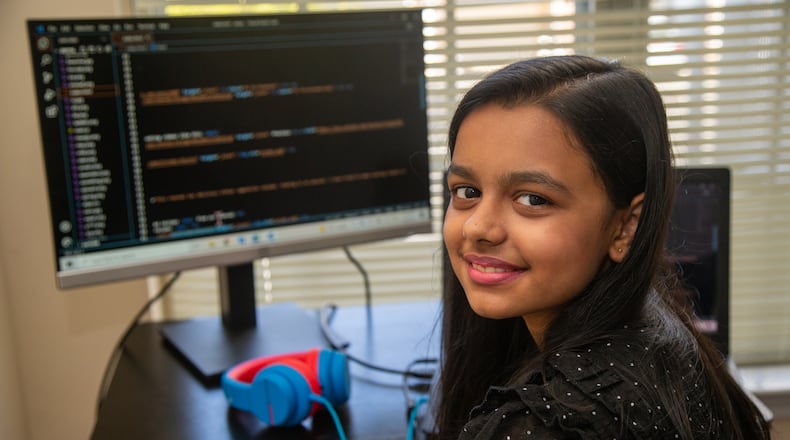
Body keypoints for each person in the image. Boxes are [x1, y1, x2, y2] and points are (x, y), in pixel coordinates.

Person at [435, 55, 771, 439]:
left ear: (626, 226)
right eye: (467, 191)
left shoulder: (546, 425)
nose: (478, 227)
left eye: (532, 199)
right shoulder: (657, 333)